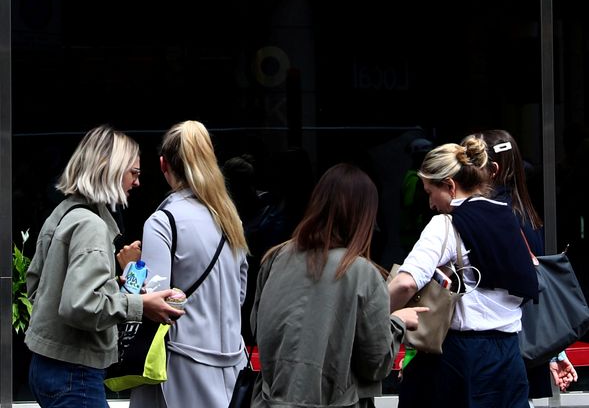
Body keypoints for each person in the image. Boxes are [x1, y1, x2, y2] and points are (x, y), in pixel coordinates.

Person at [25, 125, 184, 408]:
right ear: (109, 170)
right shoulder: (91, 227)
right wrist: (140, 304)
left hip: (46, 367)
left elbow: (38, 286)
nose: (137, 183)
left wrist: (111, 288)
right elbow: (80, 305)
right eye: (133, 173)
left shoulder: (64, 213)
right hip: (75, 373)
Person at [251, 163, 426, 408]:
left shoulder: (275, 258)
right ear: (365, 215)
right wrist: (397, 322)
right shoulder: (362, 273)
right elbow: (375, 363)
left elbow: (259, 329)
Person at [388, 137, 538, 408]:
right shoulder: (507, 218)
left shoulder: (445, 225)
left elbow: (406, 283)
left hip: (462, 357)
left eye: (429, 191)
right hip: (509, 357)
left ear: (450, 186)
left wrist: (372, 317)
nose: (431, 203)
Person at [129, 120, 248, 408]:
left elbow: (156, 304)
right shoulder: (232, 221)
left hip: (181, 367)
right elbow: (240, 295)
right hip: (233, 364)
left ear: (163, 165)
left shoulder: (163, 222)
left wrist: (130, 268)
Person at [465, 129, 578, 398]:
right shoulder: (522, 212)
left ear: (492, 170)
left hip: (499, 345)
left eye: (469, 161)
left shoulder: (491, 216)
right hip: (515, 346)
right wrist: (553, 351)